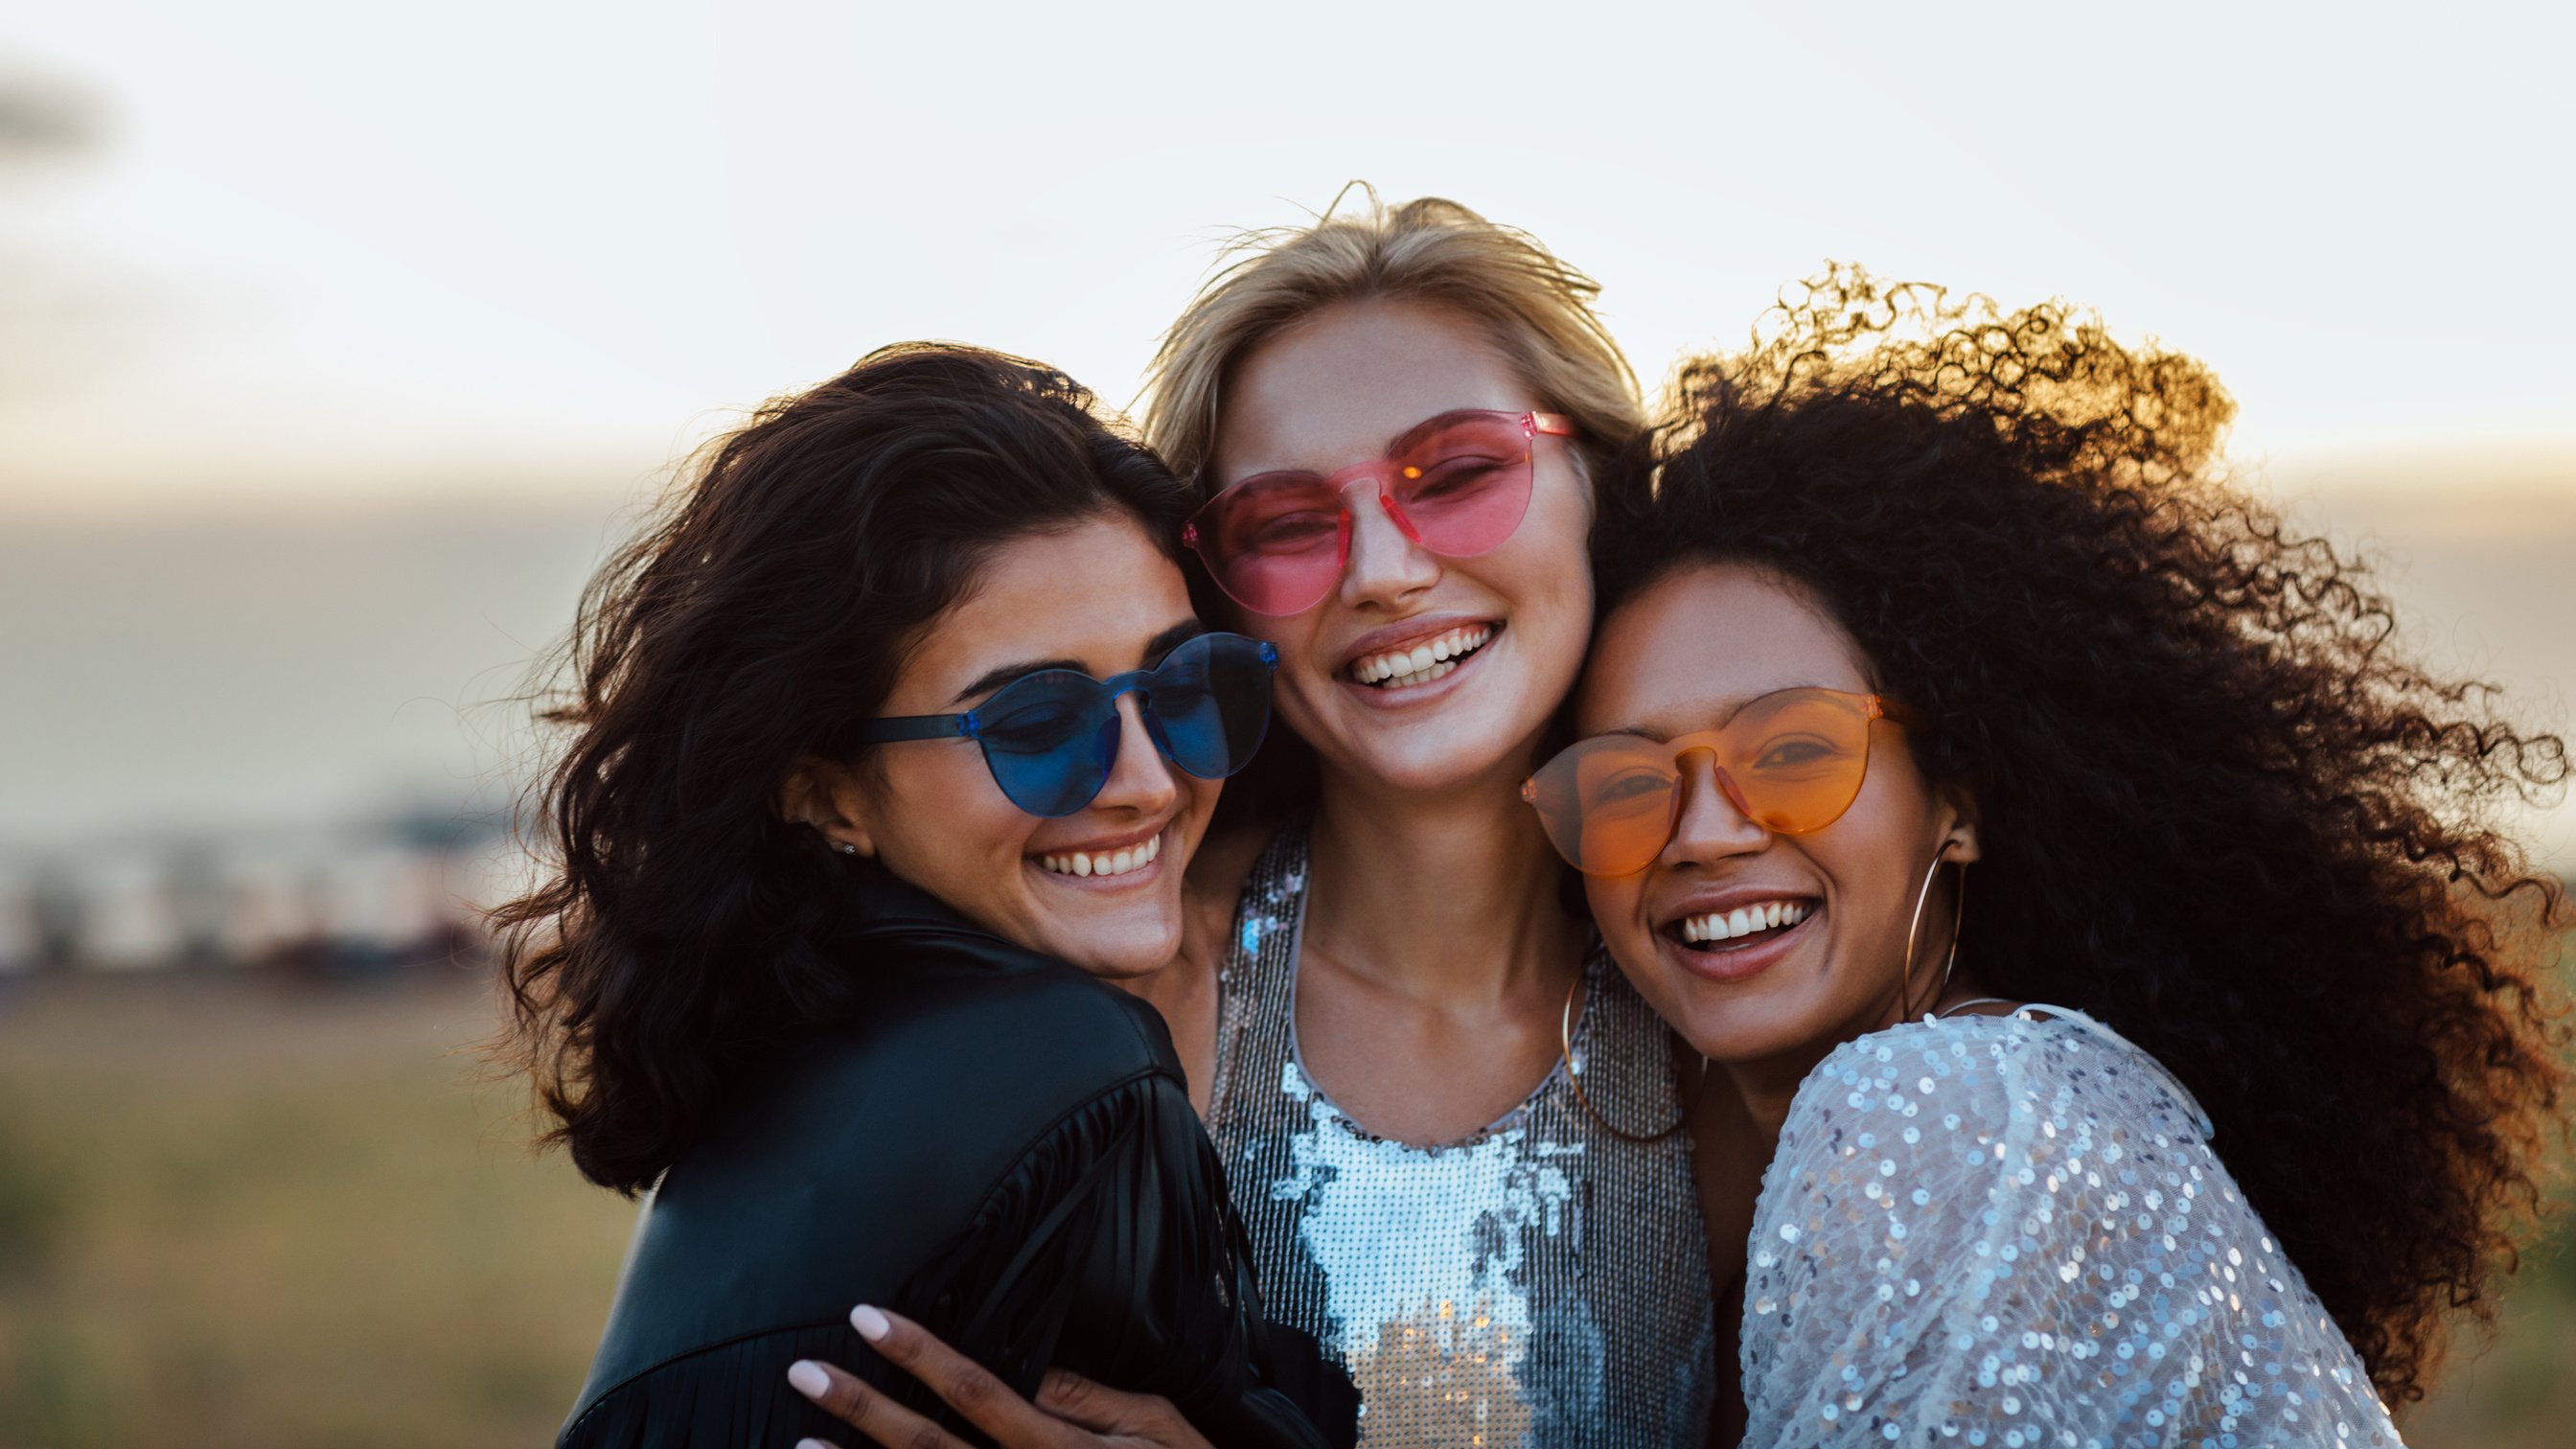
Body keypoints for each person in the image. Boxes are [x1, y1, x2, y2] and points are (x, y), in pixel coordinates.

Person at [1530, 269, 2568, 1443]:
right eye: (1624, 782)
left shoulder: (1933, 1112)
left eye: (1795, 749)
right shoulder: (2024, 1100)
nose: (1705, 830)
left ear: (1958, 801)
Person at [807, 194, 1720, 1449]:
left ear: (1596, 486)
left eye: (1457, 474)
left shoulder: (1721, 979)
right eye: (1287, 525)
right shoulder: (1125, 1005)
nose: (1385, 571)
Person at [490, 344, 1355, 1448]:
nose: (1146, 780)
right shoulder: (1072, 1070)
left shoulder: (793, 1065)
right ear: (823, 790)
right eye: (1038, 725)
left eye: (1189, 688)